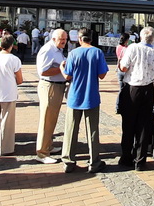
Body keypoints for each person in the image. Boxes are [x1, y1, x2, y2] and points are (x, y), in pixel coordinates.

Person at [60, 28, 108, 173]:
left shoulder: (73, 53)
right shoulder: (97, 52)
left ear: (80, 39)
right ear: (91, 39)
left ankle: (68, 161)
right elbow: (102, 75)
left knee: (71, 129)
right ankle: (94, 162)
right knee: (92, 130)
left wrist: (62, 68)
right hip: (91, 96)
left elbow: (67, 76)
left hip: (75, 96)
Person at [118, 26, 154, 170]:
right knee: (144, 124)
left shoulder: (133, 48)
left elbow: (124, 68)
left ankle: (126, 157)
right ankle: (140, 160)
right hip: (148, 89)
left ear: (140, 36)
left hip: (132, 87)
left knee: (128, 123)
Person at [34, 29, 68, 163]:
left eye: (65, 39)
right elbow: (43, 71)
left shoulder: (57, 50)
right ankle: (42, 153)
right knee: (46, 119)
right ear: (54, 39)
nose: (64, 42)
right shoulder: (48, 50)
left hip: (57, 86)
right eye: (62, 40)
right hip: (50, 86)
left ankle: (48, 145)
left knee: (52, 119)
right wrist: (61, 68)